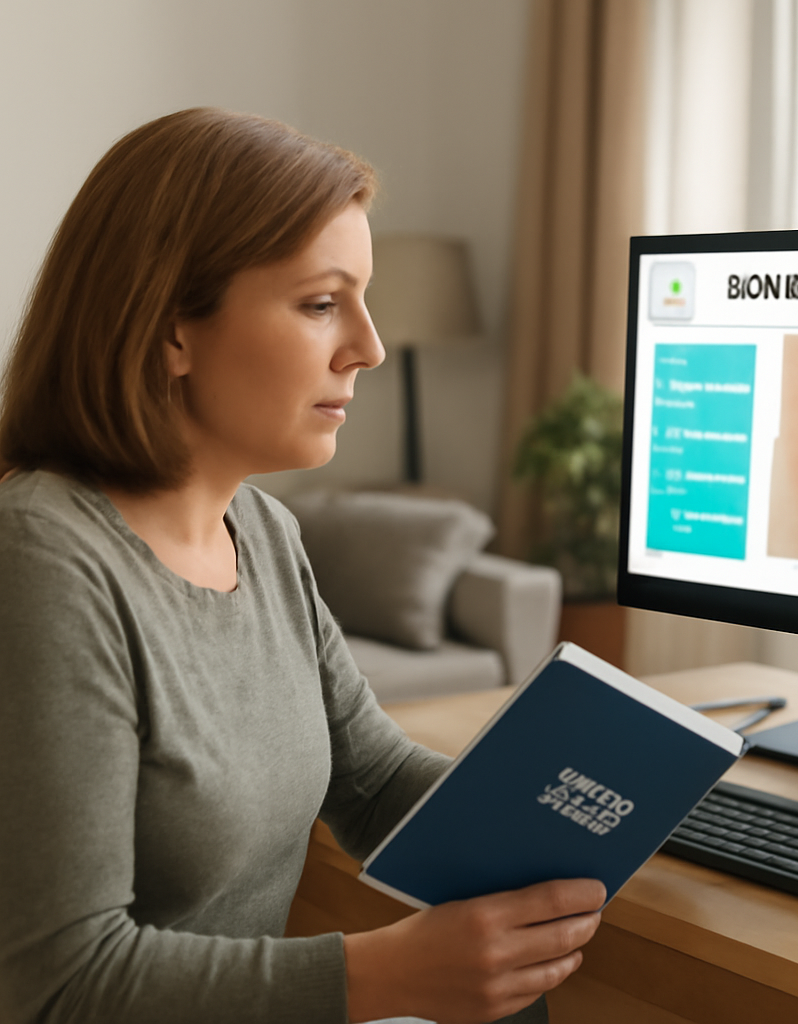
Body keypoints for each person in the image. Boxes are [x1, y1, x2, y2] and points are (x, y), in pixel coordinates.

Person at [0, 107, 604, 1024]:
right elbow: (57, 985)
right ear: (171, 330)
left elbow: (370, 779)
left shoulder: (263, 531)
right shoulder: (43, 562)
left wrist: (574, 809)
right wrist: (381, 977)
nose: (369, 346)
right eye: (322, 303)